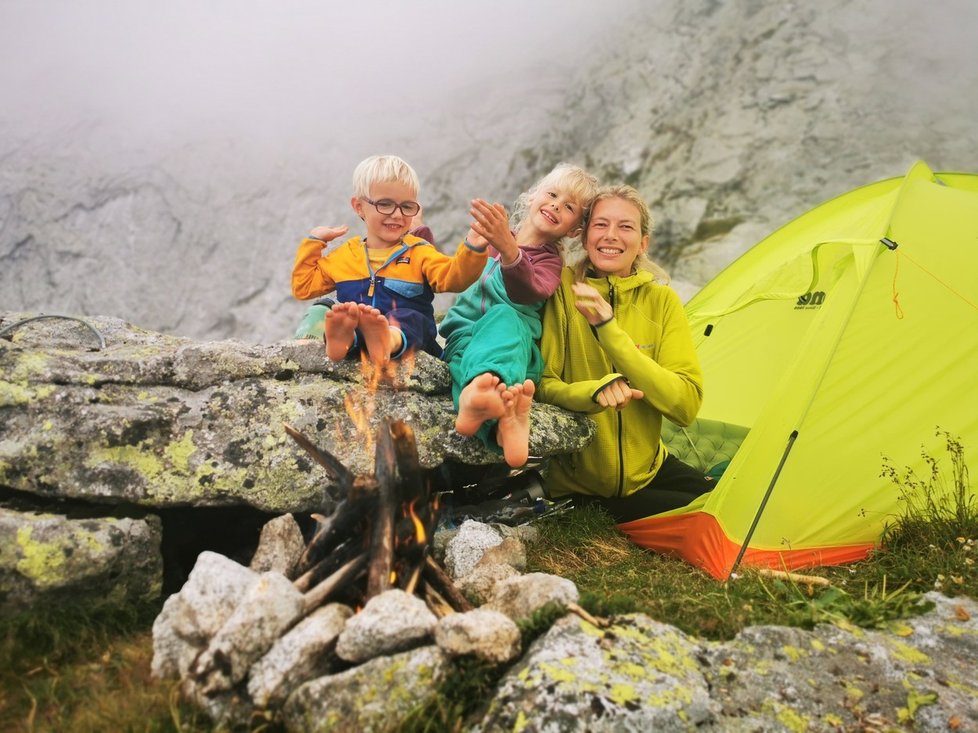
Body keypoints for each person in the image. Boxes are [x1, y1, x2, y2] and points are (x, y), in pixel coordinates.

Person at [537, 184, 712, 522]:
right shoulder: (562, 290)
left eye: (625, 226)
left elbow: (686, 405)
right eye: (601, 225)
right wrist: (594, 392)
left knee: (727, 503)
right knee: (702, 517)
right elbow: (545, 384)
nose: (611, 236)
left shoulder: (661, 301)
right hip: (579, 483)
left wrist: (609, 330)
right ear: (585, 235)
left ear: (643, 242)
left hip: (648, 470)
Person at [439, 163, 598, 468]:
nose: (555, 205)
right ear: (531, 197)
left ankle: (489, 401)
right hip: (465, 337)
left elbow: (526, 292)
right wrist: (472, 245)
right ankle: (498, 421)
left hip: (514, 351)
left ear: (574, 230)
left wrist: (510, 249)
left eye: (568, 207)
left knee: (504, 317)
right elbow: (455, 275)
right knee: (464, 366)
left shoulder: (550, 261)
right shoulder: (493, 240)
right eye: (552, 194)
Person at [291, 154, 488, 365]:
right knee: (334, 310)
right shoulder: (344, 256)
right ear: (358, 207)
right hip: (361, 338)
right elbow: (304, 286)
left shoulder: (419, 251)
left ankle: (385, 338)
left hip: (412, 341)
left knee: (410, 316)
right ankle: (344, 340)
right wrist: (314, 242)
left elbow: (454, 278)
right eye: (385, 204)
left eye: (407, 206)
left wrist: (472, 248)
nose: (397, 214)